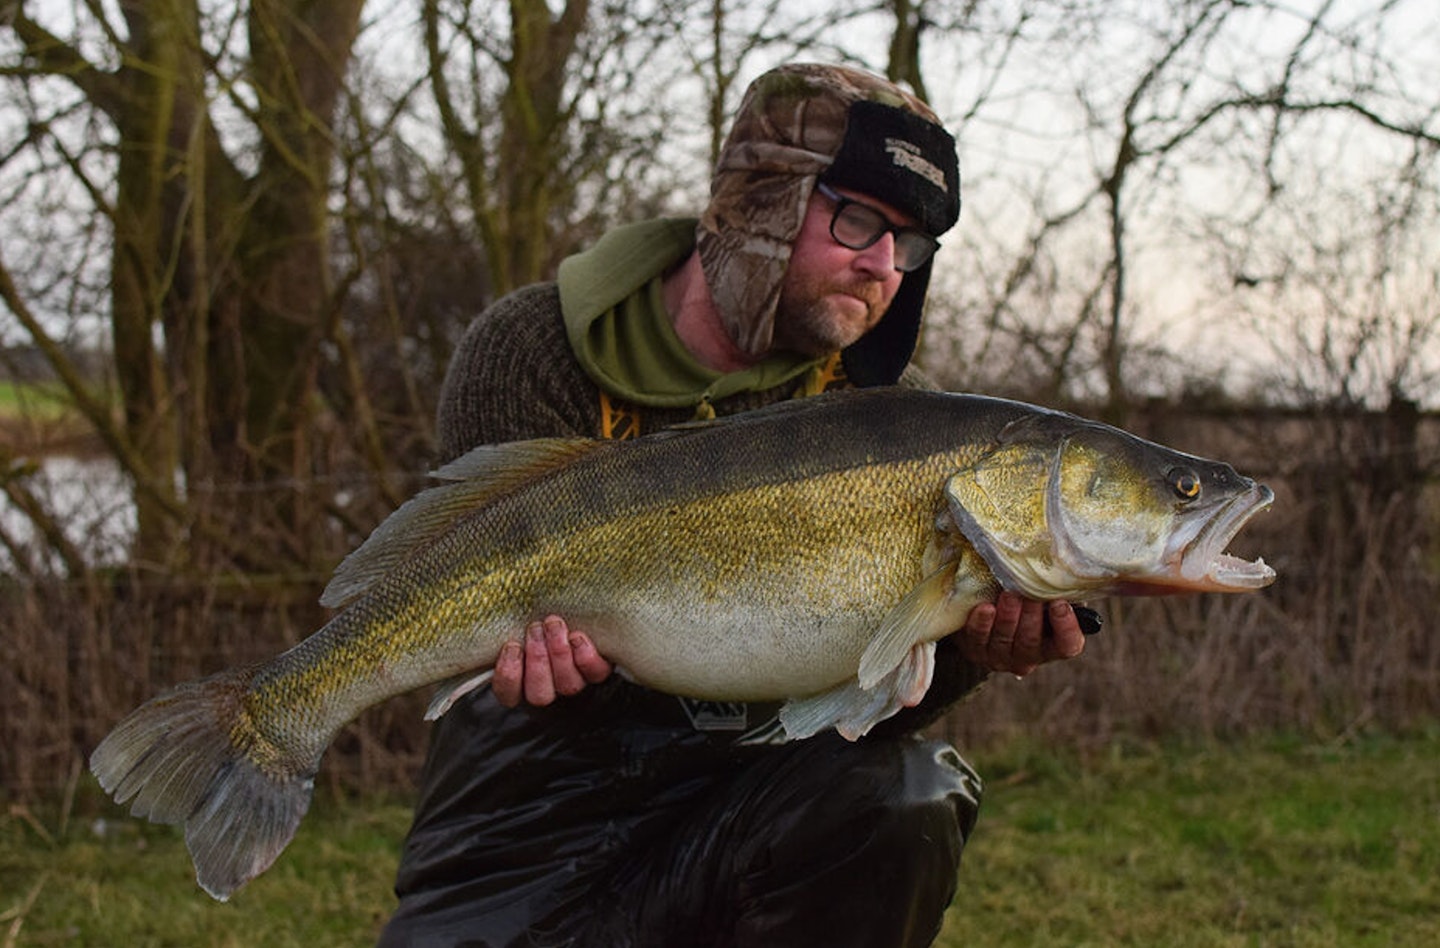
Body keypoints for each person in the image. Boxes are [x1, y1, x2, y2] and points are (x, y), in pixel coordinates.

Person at [378, 63, 1086, 948]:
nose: (882, 267)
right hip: (532, 814)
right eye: (858, 217)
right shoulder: (532, 349)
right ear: (765, 199)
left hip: (756, 798)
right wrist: (540, 669)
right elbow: (462, 584)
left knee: (904, 797)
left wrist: (976, 647)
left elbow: (862, 698)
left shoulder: (898, 423)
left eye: (909, 244)